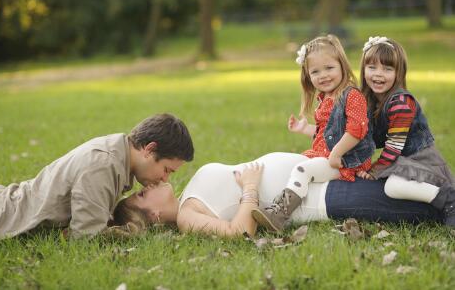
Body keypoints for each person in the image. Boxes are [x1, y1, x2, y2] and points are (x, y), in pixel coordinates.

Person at [0, 113, 194, 240]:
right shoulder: (103, 165)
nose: (165, 180)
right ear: (149, 149)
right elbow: (86, 237)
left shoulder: (117, 158)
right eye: (167, 170)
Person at [116, 152, 441, 237]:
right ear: (154, 217)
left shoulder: (188, 192)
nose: (147, 187)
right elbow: (239, 231)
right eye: (142, 197)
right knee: (402, 199)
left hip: (312, 173)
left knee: (395, 171)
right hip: (317, 200)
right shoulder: (188, 218)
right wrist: (251, 189)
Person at [252, 35, 375, 232]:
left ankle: (279, 216)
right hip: (327, 154)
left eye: (329, 68)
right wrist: (305, 129)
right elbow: (328, 133)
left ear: (342, 66)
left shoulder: (352, 96)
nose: (323, 75)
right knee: (295, 164)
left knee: (303, 170)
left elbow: (356, 131)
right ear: (308, 75)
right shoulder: (326, 97)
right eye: (315, 71)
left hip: (346, 161)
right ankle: (274, 203)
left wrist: (336, 154)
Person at [359, 36, 455, 226]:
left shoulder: (401, 102)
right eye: (372, 67)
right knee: (390, 185)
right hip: (401, 162)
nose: (378, 74)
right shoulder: (370, 100)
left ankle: (449, 198)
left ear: (399, 73)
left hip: (420, 161)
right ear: (363, 70)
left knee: (393, 187)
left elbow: (394, 146)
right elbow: (365, 136)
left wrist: (375, 170)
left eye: (387, 69)